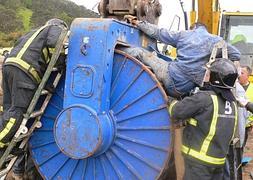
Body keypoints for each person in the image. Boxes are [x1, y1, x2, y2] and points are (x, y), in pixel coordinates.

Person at [0, 18, 68, 179]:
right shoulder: (56, 29)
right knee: (17, 112)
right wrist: (61, 63)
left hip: (9, 67)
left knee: (7, 110)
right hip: (25, 72)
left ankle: (9, 144)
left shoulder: (33, 33)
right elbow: (55, 44)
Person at [122, 16, 241, 98]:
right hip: (185, 89)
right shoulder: (216, 41)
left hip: (171, 78)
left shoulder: (184, 35)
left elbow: (158, 33)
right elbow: (236, 54)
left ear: (193, 27)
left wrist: (138, 23)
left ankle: (115, 50)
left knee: (141, 53)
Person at [169, 58, 238, 179]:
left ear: (215, 78)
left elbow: (176, 112)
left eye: (208, 74)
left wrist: (172, 101)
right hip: (218, 162)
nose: (205, 76)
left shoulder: (204, 98)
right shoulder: (233, 104)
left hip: (198, 163)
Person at [238, 66, 253, 146]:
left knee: (241, 145)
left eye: (242, 73)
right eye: (239, 72)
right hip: (235, 122)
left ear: (248, 76)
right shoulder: (234, 87)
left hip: (246, 125)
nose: (239, 75)